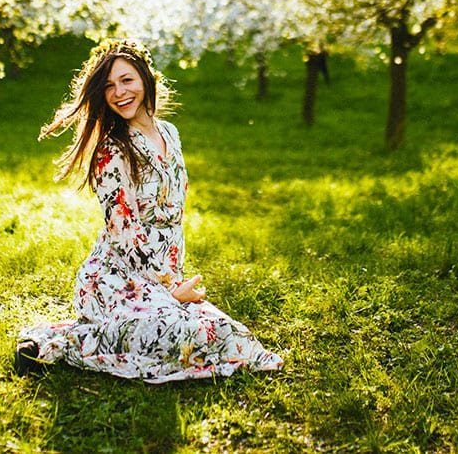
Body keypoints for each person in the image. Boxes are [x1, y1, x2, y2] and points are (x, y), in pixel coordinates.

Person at [15, 39, 283, 383]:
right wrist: (171, 288)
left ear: (145, 79)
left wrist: (173, 281)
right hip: (116, 278)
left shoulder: (169, 132)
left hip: (163, 274)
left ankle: (123, 325)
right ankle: (54, 345)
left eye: (127, 80)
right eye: (109, 85)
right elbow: (123, 229)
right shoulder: (112, 149)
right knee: (178, 335)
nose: (119, 92)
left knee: (223, 332)